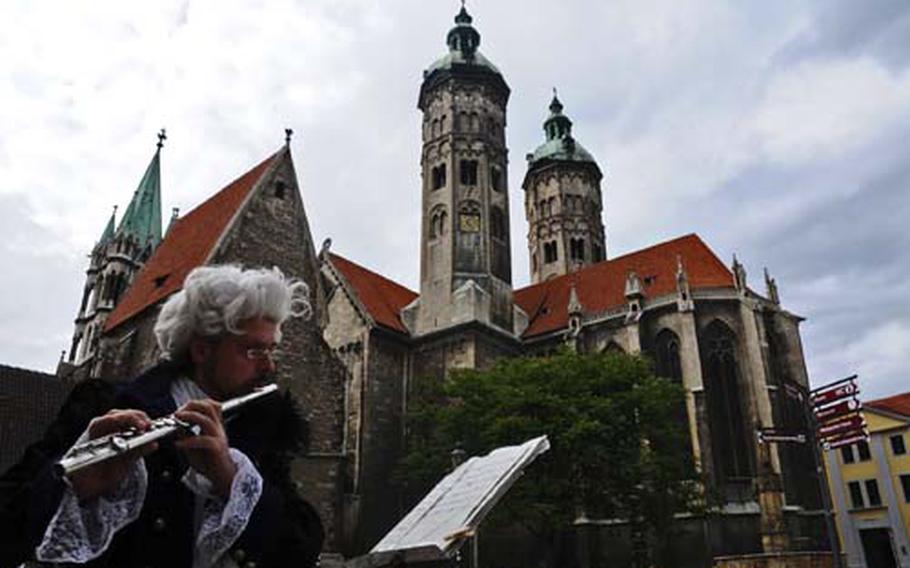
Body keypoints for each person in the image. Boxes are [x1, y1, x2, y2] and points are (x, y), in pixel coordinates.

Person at [0, 265, 324, 568]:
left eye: (272, 350)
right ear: (201, 350)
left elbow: (302, 548)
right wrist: (72, 487)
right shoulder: (104, 405)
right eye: (253, 351)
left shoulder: (260, 432)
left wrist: (231, 480)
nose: (269, 367)